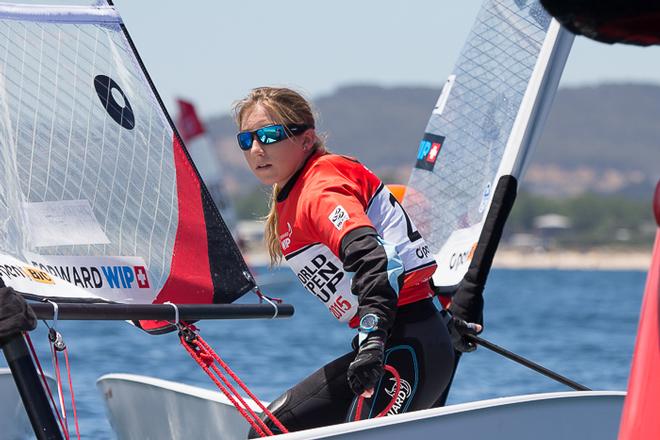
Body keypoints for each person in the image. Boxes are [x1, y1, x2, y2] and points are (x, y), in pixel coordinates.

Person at [234, 87, 479, 436]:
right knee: (269, 430)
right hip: (409, 337)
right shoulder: (298, 191)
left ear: (306, 140)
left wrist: (375, 339)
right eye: (247, 139)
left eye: (271, 135)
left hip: (406, 347)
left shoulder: (318, 189)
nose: (257, 149)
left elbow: (373, 258)